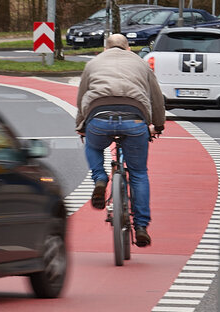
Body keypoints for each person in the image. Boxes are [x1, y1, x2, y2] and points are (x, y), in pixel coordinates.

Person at [75, 34, 165, 247]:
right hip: (134, 119)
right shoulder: (141, 64)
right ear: (128, 48)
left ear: (106, 48)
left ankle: (100, 178)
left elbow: (82, 98)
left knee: (93, 146)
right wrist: (158, 124)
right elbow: (156, 97)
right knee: (139, 173)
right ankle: (141, 226)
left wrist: (81, 126)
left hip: (99, 116)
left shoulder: (93, 63)